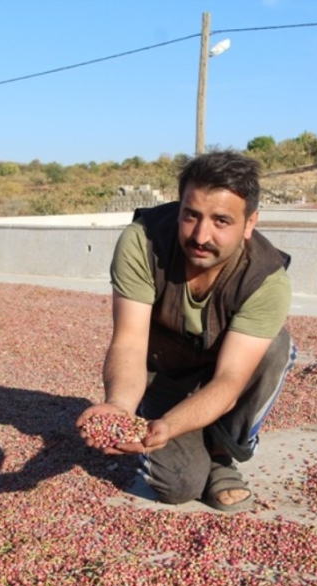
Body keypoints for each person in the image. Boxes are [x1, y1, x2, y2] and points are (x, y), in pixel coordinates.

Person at [77, 151, 296, 513]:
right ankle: (171, 427)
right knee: (179, 486)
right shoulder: (144, 241)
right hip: (162, 371)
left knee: (275, 346)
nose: (200, 235)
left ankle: (221, 454)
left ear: (249, 223)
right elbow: (129, 342)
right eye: (191, 215)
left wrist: (169, 426)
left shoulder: (265, 279)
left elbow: (229, 380)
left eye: (221, 221)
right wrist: (120, 407)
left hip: (217, 375)